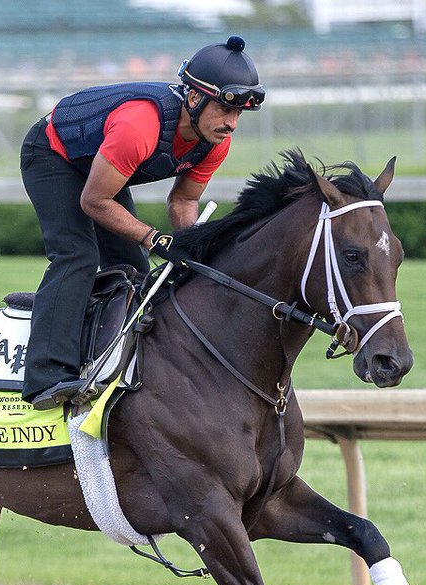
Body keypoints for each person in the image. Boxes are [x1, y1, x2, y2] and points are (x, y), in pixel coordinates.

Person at [19, 36, 264, 410]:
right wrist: (155, 239)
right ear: (195, 98)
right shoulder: (140, 127)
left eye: (239, 114)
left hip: (102, 170)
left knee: (133, 270)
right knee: (77, 255)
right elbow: (93, 201)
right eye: (224, 110)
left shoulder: (215, 141)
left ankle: (120, 364)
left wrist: (189, 251)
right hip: (53, 155)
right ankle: (47, 376)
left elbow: (183, 200)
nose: (231, 124)